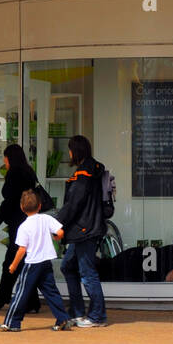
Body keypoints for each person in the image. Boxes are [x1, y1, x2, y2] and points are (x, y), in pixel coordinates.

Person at [0, 190, 72, 333]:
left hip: (32, 264)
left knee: (21, 292)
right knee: (51, 292)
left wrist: (13, 265)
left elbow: (21, 250)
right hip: (46, 262)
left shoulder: (24, 227)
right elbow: (61, 232)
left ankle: (12, 322)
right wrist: (56, 238)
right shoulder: (46, 218)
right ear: (39, 206)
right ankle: (62, 318)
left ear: (21, 207)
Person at [56, 134, 107, 327]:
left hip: (84, 229)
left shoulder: (83, 174)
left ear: (75, 151)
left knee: (87, 272)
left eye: (70, 149)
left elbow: (74, 203)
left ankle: (97, 316)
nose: (69, 153)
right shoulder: (94, 169)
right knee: (68, 266)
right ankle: (77, 311)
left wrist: (58, 224)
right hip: (88, 227)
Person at [0, 144, 40, 312]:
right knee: (24, 263)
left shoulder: (14, 174)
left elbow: (8, 203)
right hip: (30, 222)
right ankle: (32, 303)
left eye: (5, 157)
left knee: (11, 263)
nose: (4, 161)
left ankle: (1, 298)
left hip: (19, 226)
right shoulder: (29, 172)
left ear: (10, 158)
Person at [98, 231, 173, 284]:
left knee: (103, 267)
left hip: (134, 255)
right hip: (136, 266)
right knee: (103, 272)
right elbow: (171, 278)